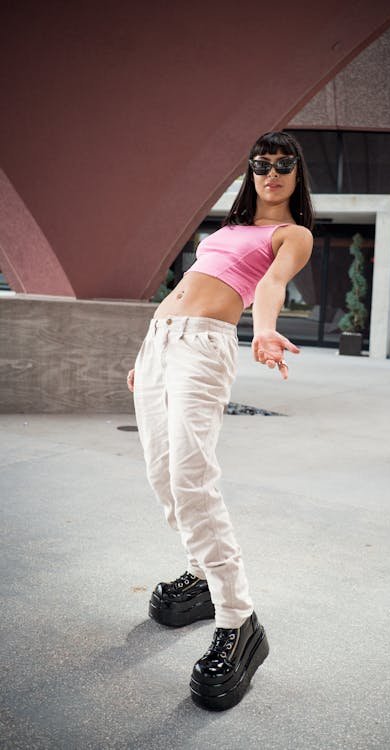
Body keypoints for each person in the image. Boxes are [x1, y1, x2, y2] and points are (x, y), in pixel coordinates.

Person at [127, 131, 314, 711]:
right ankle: (201, 575)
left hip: (204, 348)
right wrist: (144, 355)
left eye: (284, 164)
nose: (272, 173)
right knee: (163, 477)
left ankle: (238, 620)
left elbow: (271, 284)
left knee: (191, 479)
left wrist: (261, 330)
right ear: (251, 174)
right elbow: (180, 290)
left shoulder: (292, 234)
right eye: (262, 165)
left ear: (296, 174)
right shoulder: (228, 230)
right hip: (160, 343)